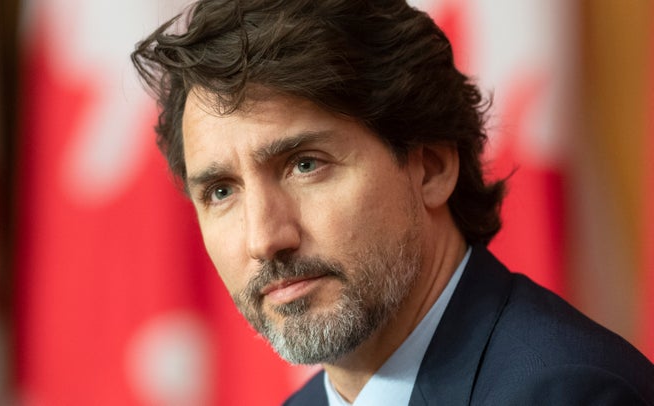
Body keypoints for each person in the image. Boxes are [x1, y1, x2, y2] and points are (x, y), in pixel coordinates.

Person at [131, 0, 654, 404]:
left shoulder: (565, 395)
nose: (265, 238)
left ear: (430, 166)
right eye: (221, 191)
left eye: (305, 164)